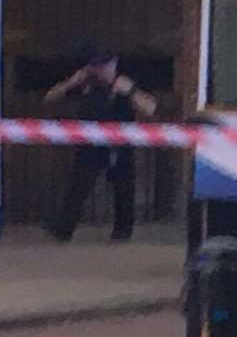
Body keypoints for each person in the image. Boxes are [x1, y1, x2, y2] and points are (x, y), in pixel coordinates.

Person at [44, 50, 157, 242]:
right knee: (78, 187)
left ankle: (122, 231)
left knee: (124, 189)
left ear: (113, 64)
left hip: (119, 146)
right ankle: (63, 229)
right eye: (95, 66)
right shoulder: (87, 84)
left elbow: (151, 108)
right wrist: (71, 82)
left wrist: (130, 92)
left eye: (103, 66)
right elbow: (49, 98)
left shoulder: (125, 84)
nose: (99, 70)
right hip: (90, 145)